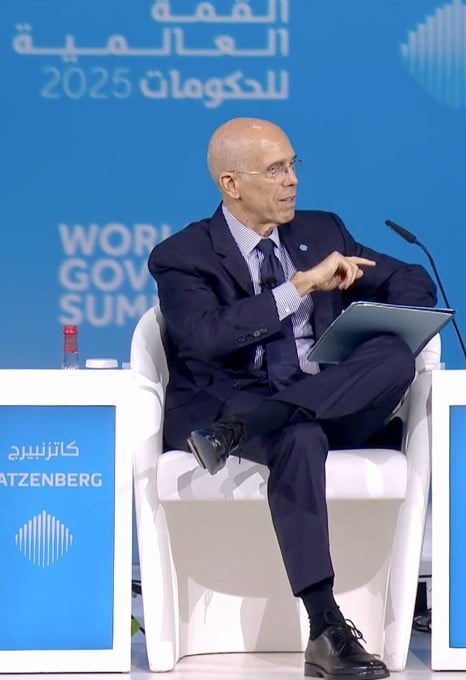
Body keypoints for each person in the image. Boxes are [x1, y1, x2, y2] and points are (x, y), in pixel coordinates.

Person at [148, 117, 437, 680]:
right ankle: (327, 625)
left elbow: (413, 281)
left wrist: (371, 313)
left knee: (394, 355)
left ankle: (281, 412)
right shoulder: (182, 255)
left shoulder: (324, 230)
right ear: (231, 184)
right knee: (298, 435)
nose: (291, 182)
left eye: (292, 165)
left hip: (315, 404)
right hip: (232, 402)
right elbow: (205, 335)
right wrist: (300, 286)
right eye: (275, 170)